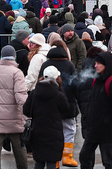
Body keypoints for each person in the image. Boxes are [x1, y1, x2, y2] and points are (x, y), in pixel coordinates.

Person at [79, 51, 112, 169]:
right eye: (95, 63)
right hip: (93, 128)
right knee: (84, 156)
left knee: (108, 161)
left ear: (107, 64)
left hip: (106, 129)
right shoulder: (97, 80)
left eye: (99, 63)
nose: (95, 66)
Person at [0, 45, 29, 169]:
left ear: (1, 57)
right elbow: (20, 96)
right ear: (14, 57)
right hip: (14, 116)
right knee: (19, 147)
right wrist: (26, 116)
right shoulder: (17, 73)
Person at [39, 37, 79, 167]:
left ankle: (54, 160)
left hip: (49, 105)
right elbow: (75, 84)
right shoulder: (69, 65)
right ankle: (67, 156)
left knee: (53, 133)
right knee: (69, 129)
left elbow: (40, 82)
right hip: (67, 102)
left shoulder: (45, 64)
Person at [24, 65, 74, 169]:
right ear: (57, 78)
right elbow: (67, 110)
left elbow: (26, 110)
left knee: (39, 162)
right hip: (54, 133)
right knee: (52, 162)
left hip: (37, 132)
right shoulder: (59, 94)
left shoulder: (34, 93)